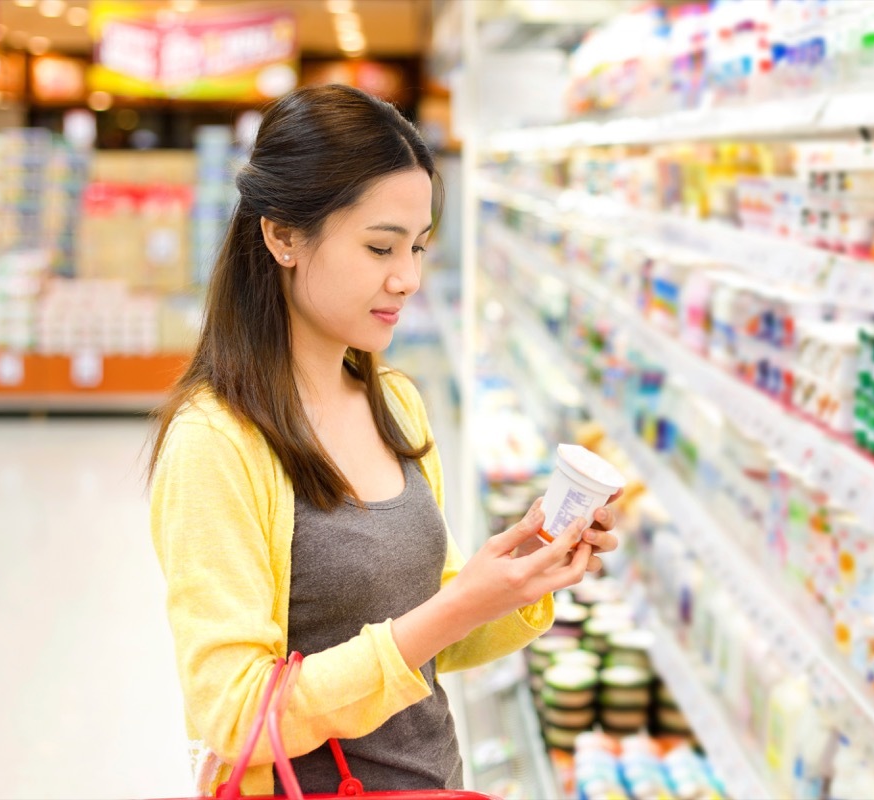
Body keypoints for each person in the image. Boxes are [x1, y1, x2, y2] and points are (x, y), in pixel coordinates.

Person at [146, 84, 620, 797]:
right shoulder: (217, 442)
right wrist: (453, 608)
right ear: (282, 236)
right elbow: (235, 716)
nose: (408, 278)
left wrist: (521, 572)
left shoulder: (392, 399)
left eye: (420, 246)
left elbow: (427, 642)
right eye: (379, 247)